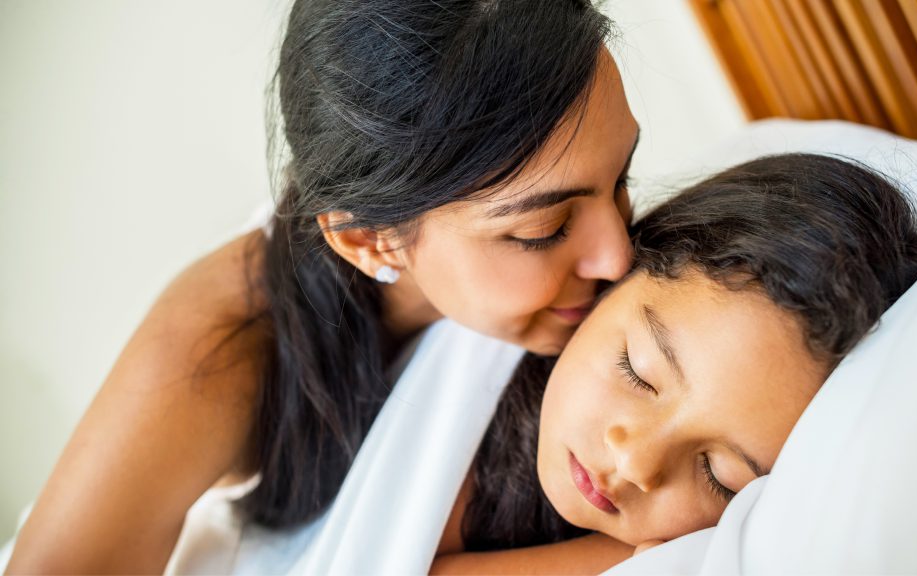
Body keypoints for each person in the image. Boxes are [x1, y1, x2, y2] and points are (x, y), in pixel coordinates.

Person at [5, 1, 639, 573]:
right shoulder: (213, 355)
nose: (618, 255)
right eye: (545, 229)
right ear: (369, 241)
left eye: (622, 177)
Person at [431, 153, 917, 573]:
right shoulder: (454, 376)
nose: (635, 463)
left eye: (719, 476)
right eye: (638, 371)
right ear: (619, 278)